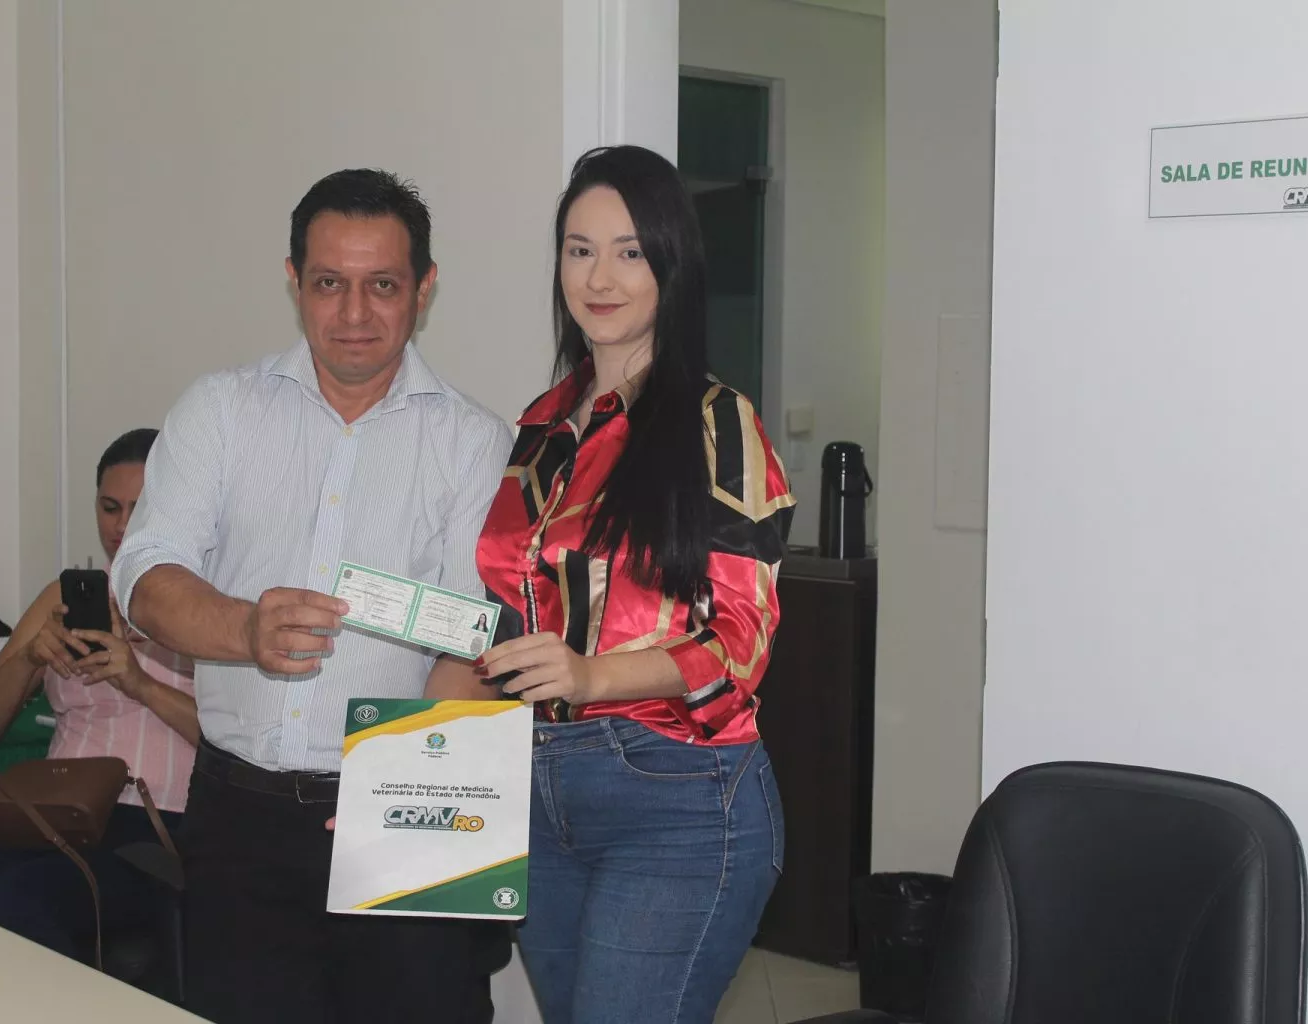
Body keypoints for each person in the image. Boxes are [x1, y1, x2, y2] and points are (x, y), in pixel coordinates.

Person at [110, 169, 513, 1024]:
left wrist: (391, 799)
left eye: (383, 285)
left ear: (424, 290)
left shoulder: (476, 442)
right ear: (295, 282)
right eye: (330, 283)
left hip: (408, 804)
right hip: (239, 818)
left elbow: (473, 643)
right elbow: (144, 573)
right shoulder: (220, 410)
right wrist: (243, 628)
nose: (355, 313)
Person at [475, 145, 795, 1024]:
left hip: (676, 793)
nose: (600, 277)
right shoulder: (540, 428)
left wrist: (591, 676)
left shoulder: (717, 421)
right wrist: (399, 781)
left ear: (670, 265)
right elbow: (502, 624)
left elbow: (742, 642)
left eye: (629, 252)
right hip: (536, 789)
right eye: (579, 250)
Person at [0, 428, 198, 963]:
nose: (120, 527)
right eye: (109, 508)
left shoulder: (209, 605)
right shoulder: (65, 597)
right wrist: (31, 657)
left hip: (155, 827)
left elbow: (237, 746)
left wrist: (141, 684)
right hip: (53, 815)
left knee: (18, 901)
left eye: (139, 509)